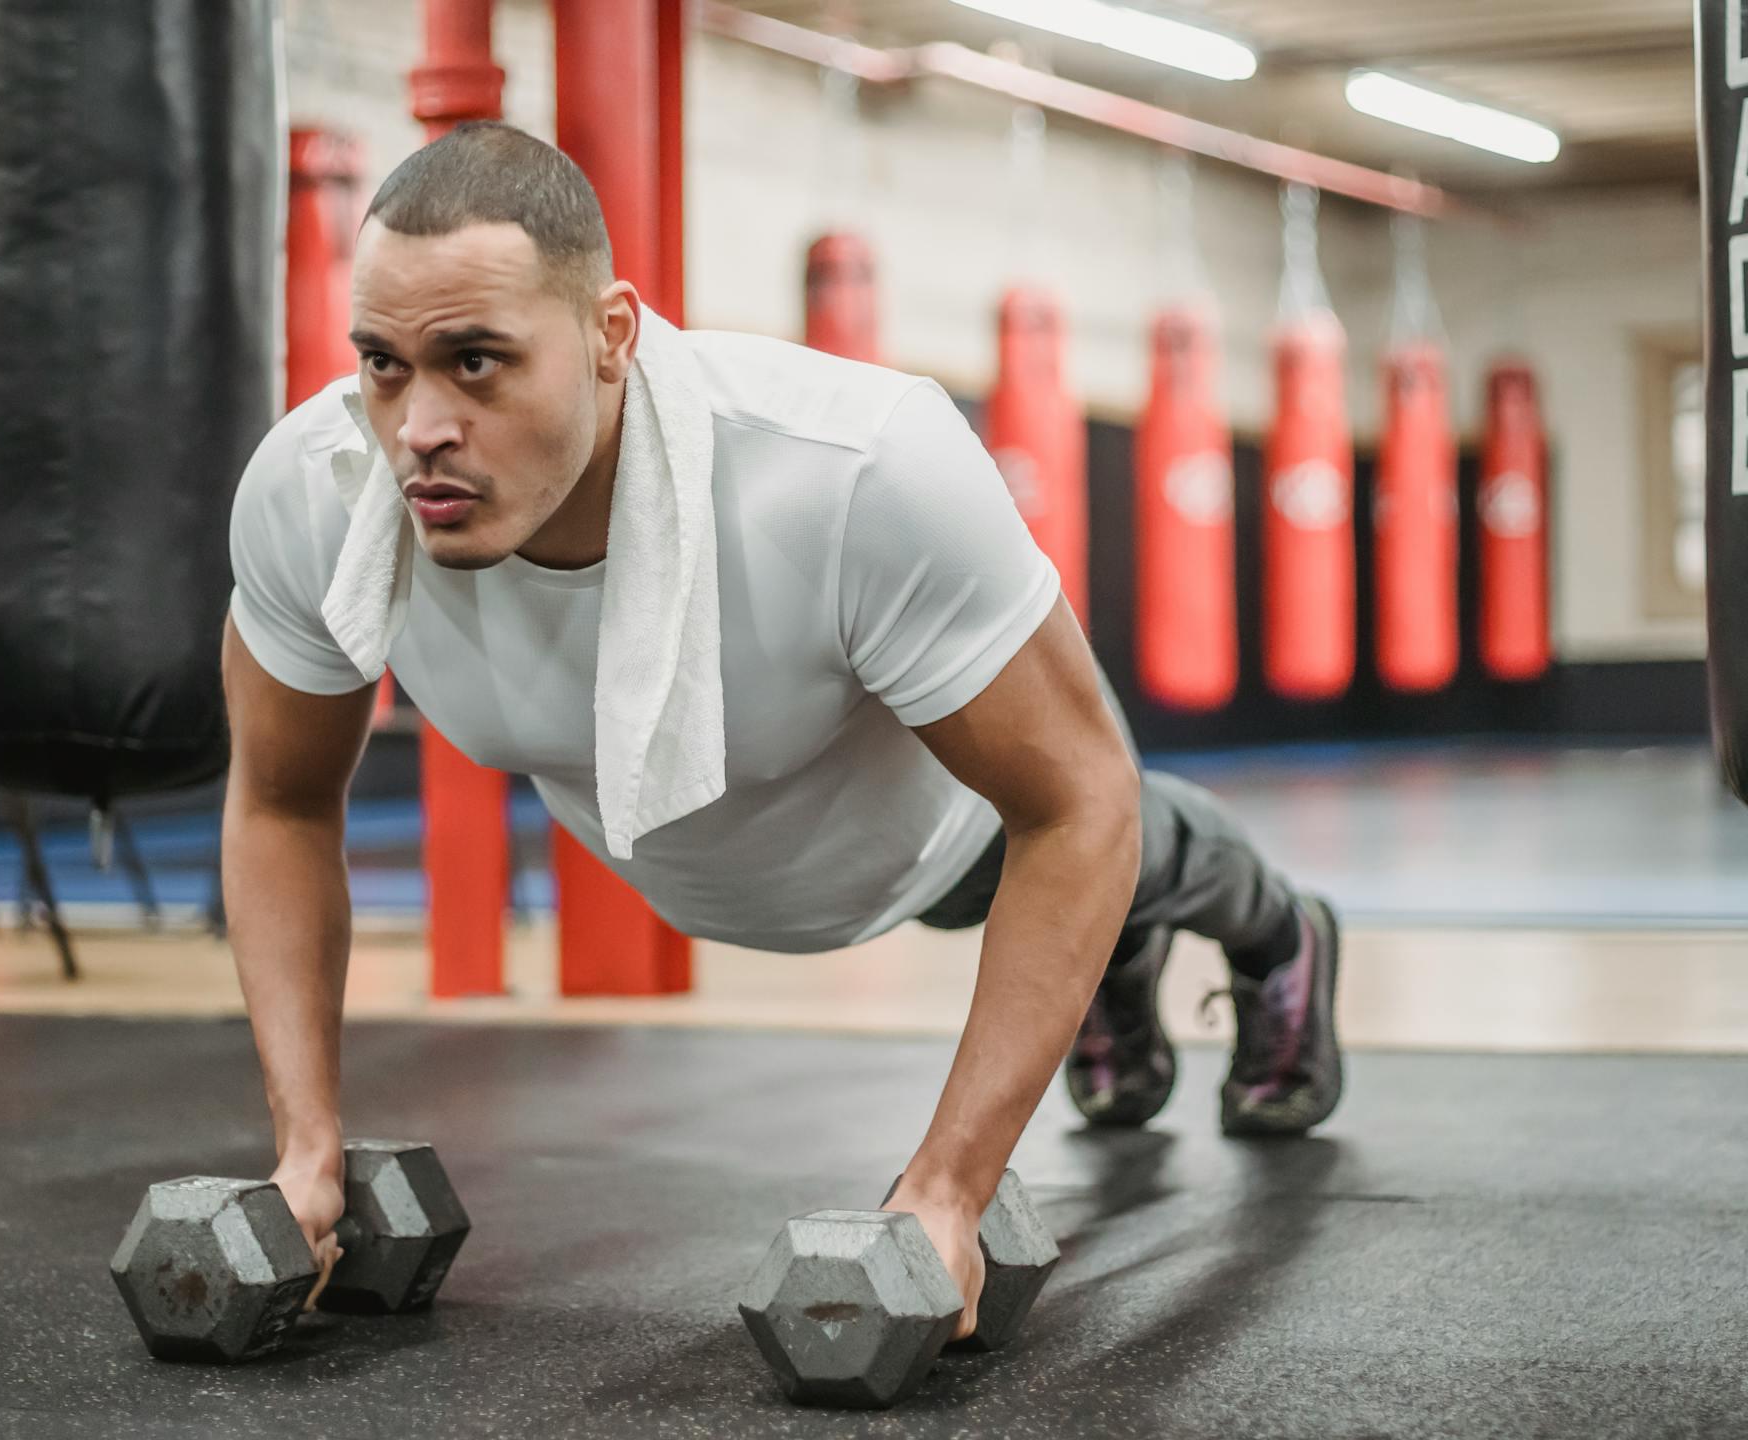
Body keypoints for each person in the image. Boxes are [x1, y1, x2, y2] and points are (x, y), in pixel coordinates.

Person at [222, 122, 1342, 1340]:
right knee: (1099, 893)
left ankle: (1283, 936)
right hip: (719, 863)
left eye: (476, 362)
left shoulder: (852, 468)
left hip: (943, 832)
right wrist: (306, 1150)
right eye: (383, 363)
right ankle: (1114, 962)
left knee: (1132, 846)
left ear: (612, 336)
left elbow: (1080, 806)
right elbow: (280, 803)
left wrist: (947, 1193)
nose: (417, 425)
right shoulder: (314, 494)